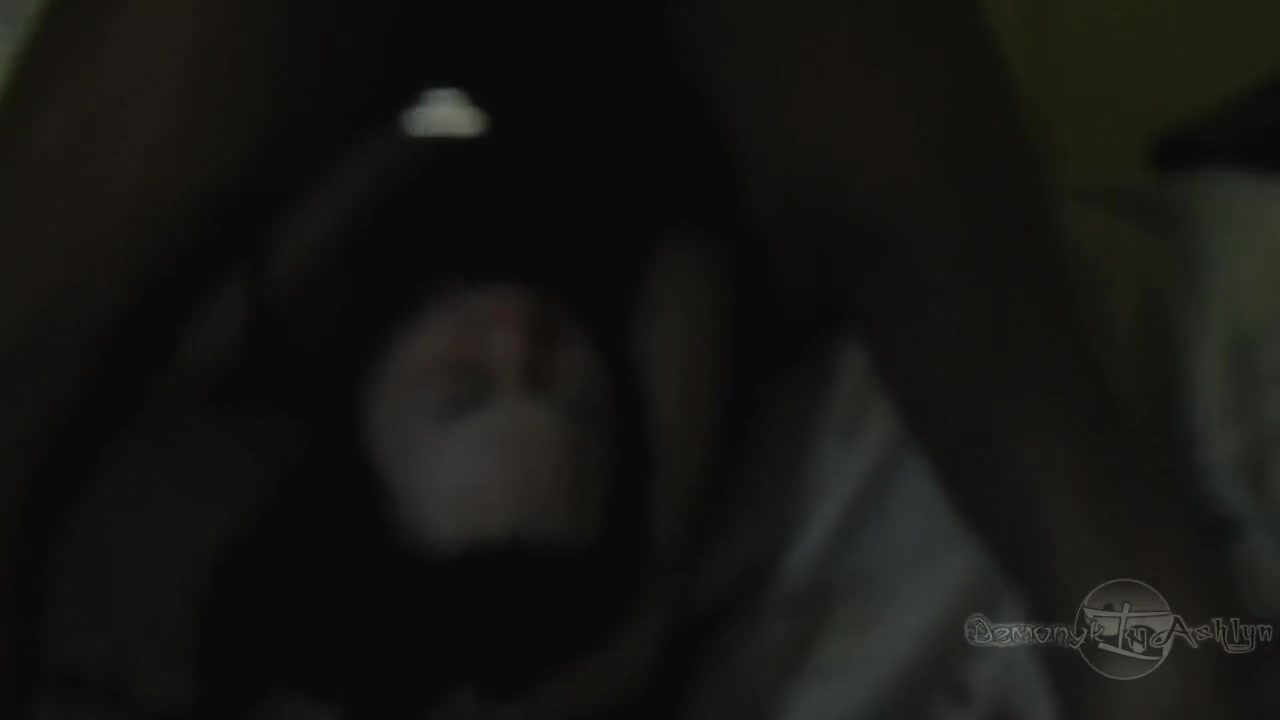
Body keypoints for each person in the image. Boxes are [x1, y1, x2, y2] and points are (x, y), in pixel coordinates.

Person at [0, 0, 1251, 717]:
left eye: (465, 387)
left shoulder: (280, 325)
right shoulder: (675, 292)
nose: (516, 345)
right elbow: (684, 294)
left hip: (396, 97)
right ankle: (1135, 620)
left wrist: (385, 182)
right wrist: (638, 613)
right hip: (694, 112)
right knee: (1051, 461)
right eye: (554, 389)